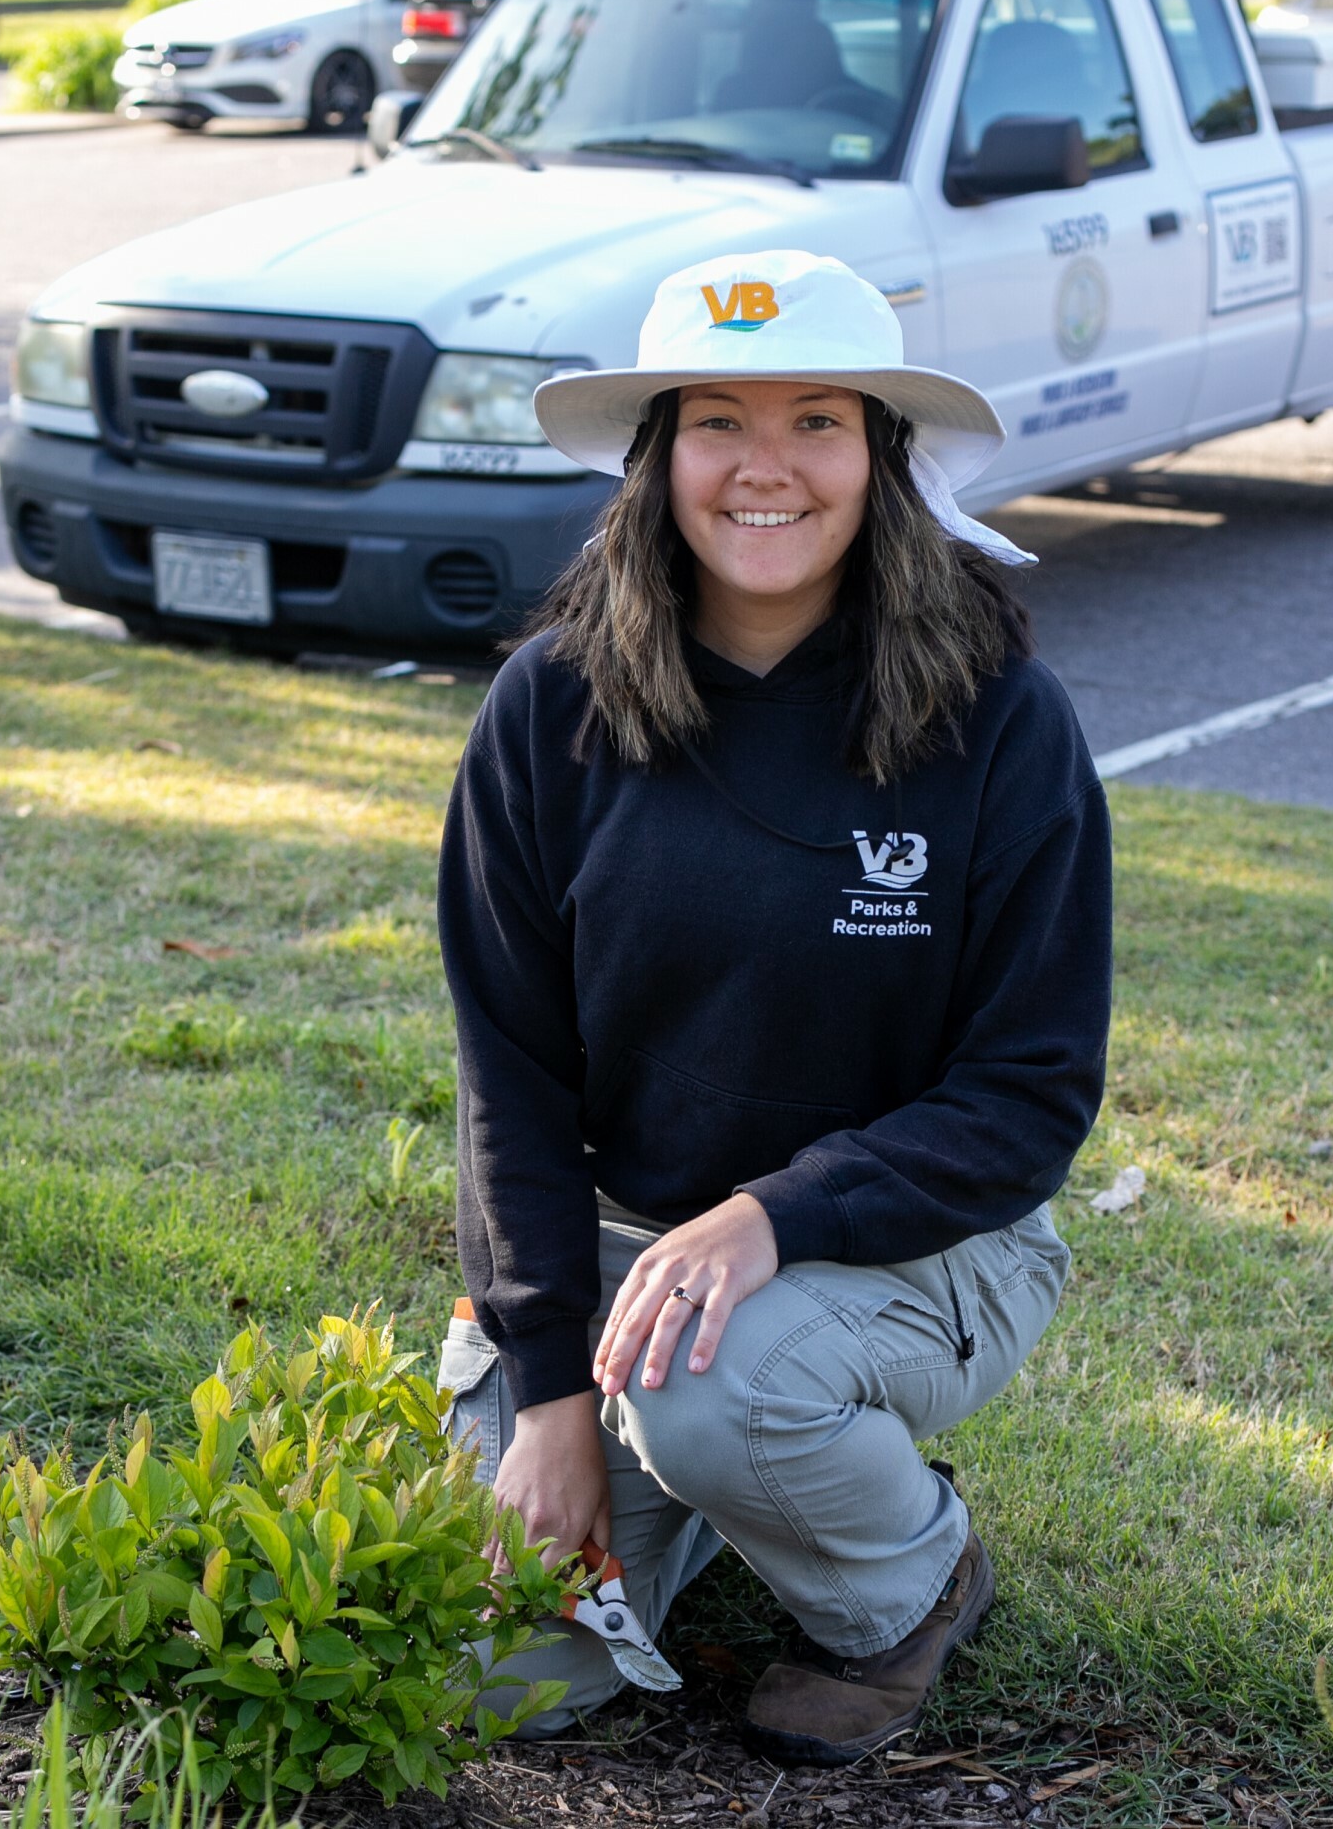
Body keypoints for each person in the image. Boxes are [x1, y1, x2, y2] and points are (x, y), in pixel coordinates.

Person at [435, 249, 1111, 1766]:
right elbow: (514, 1081)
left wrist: (771, 1215)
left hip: (931, 1237)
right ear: (655, 454)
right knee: (489, 1671)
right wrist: (547, 1392)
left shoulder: (999, 716)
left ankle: (908, 1582)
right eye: (718, 419)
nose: (766, 468)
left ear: (883, 458)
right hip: (625, 1255)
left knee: (719, 1390)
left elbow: (1030, 1092)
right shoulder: (549, 706)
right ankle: (721, 1487)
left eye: (818, 419)